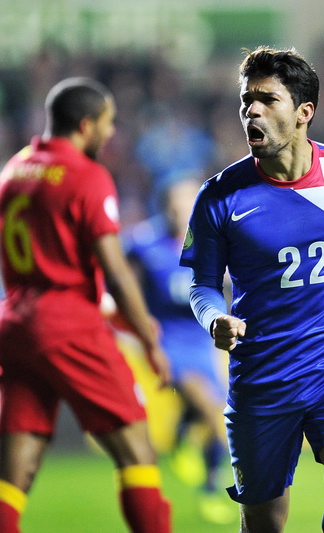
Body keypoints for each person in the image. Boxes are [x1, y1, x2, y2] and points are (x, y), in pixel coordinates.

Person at [179, 46, 324, 533]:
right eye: (247, 100)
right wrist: (214, 319)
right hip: (263, 377)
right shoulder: (220, 196)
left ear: (304, 112)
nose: (252, 111)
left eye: (267, 99)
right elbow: (202, 284)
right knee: (264, 525)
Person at [0, 77, 173, 533]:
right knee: (137, 451)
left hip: (14, 326)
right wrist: (147, 337)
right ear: (86, 125)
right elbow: (116, 270)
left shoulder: (13, 170)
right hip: (68, 323)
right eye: (107, 123)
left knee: (13, 471)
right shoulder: (86, 176)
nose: (111, 133)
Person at [124, 177, 233, 524]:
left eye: (189, 202)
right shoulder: (144, 242)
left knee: (213, 411)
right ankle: (211, 488)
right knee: (212, 411)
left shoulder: (210, 240)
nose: (182, 210)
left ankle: (180, 440)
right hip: (165, 341)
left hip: (201, 341)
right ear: (165, 207)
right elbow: (114, 265)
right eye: (177, 203)